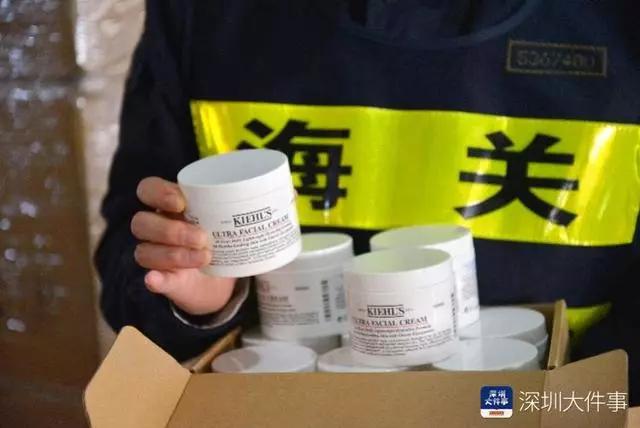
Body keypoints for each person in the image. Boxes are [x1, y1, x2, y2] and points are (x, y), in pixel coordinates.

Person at [96, 0, 640, 402]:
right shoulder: (208, 17)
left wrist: (578, 406)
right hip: (289, 411)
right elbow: (130, 267)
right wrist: (196, 298)